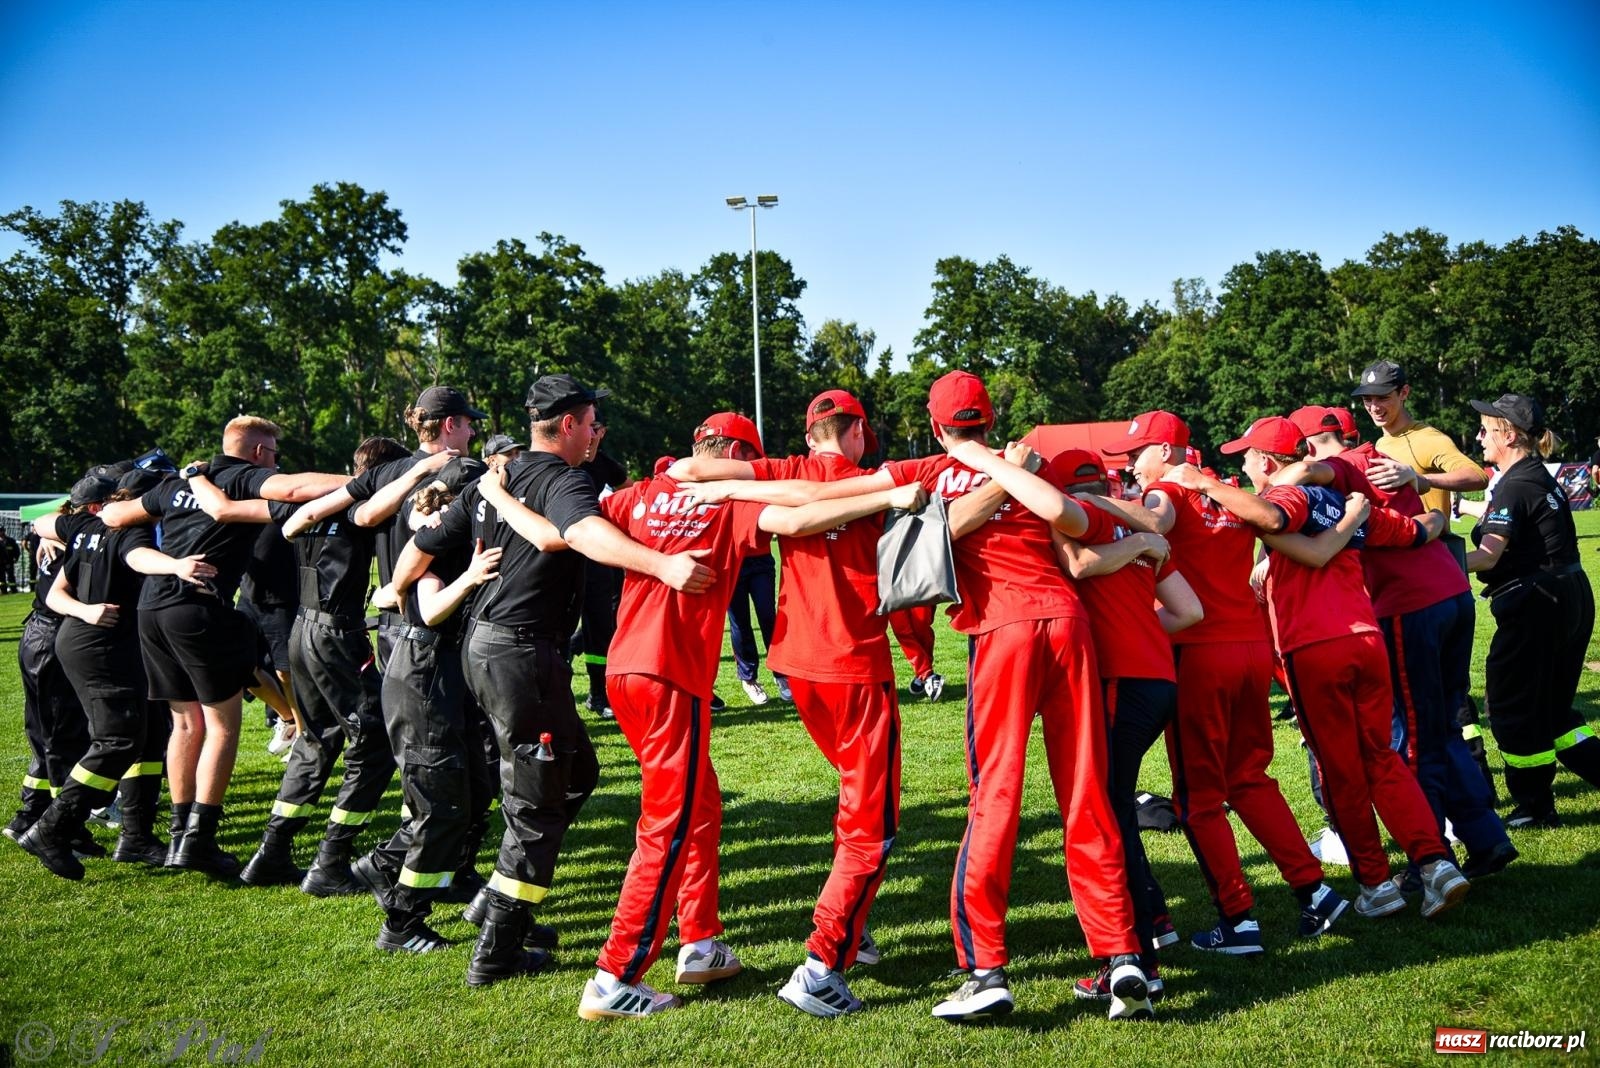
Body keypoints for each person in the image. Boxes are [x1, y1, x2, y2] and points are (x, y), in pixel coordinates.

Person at [570, 410, 924, 1021]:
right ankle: (616, 973)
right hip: (673, 673)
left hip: (623, 670)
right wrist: (886, 494)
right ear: (734, 455)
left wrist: (501, 492)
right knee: (668, 825)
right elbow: (800, 514)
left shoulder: (642, 494)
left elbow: (568, 531)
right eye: (750, 459)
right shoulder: (728, 503)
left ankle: (700, 941)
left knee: (699, 805)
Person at [389, 373, 716, 989]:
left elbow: (420, 544)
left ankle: (496, 899)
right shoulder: (563, 480)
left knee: (577, 773)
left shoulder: (498, 479)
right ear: (567, 424)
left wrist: (396, 589)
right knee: (537, 803)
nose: (597, 434)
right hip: (519, 656)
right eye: (591, 423)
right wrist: (663, 565)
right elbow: (579, 533)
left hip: (487, 650)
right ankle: (497, 947)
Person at [1166, 416, 1472, 921]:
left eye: (1247, 456)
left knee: (1341, 772)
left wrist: (1203, 483)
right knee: (1382, 758)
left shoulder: (1283, 496)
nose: (1243, 465)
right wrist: (1434, 521)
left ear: (1267, 462)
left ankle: (1375, 883)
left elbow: (1274, 520)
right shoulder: (1342, 500)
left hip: (1314, 646)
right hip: (1365, 638)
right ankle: (1435, 862)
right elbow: (1409, 531)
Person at [664, 391, 907, 1016]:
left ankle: (851, 922)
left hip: (797, 664)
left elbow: (688, 469)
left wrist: (739, 485)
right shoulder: (876, 476)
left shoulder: (785, 470)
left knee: (856, 800)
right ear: (857, 432)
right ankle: (821, 966)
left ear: (808, 435)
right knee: (871, 824)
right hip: (853, 663)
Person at [1105, 411, 1342, 955]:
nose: (1131, 465)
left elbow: (1154, 520)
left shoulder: (1167, 490)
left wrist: (1080, 504)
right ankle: (1315, 892)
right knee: (1250, 778)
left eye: (1136, 454)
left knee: (1199, 799)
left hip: (1201, 654)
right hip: (1251, 649)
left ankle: (1238, 922)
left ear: (1166, 452)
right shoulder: (1225, 490)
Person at [99, 417, 349, 876]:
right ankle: (199, 840)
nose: (276, 463)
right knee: (221, 728)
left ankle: (179, 834)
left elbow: (113, 516)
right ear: (258, 453)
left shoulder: (177, 484)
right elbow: (295, 489)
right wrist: (369, 480)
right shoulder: (241, 477)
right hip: (199, 608)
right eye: (274, 454)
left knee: (184, 725)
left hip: (152, 609)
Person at [1280, 406, 1513, 881]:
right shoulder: (1378, 455)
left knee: (1413, 739)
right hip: (1451, 592)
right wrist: (1431, 521)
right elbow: (1428, 518)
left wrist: (1279, 488)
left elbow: (1303, 474)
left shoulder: (1339, 466)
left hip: (1410, 605)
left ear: (1308, 444)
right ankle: (1486, 836)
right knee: (1444, 726)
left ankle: (1433, 859)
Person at [1049, 449, 1203, 1003]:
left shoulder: (1081, 523)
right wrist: (1140, 625)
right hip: (1158, 679)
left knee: (1106, 818)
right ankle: (1153, 923)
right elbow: (1189, 611)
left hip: (1120, 681)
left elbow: (1079, 566)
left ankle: (1136, 959)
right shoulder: (1135, 525)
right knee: (1115, 809)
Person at [227, 436, 412, 894]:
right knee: (373, 742)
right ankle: (332, 859)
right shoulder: (361, 507)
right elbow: (374, 515)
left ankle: (271, 851)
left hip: (301, 630)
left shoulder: (309, 505)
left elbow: (239, 511)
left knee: (316, 739)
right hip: (337, 635)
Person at [17, 474, 215, 879]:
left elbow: (54, 578)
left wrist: (79, 603)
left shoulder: (84, 526)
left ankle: (136, 837)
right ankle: (52, 829)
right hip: (100, 648)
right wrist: (177, 566)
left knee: (149, 737)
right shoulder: (129, 532)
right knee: (118, 739)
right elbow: (138, 558)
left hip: (103, 642)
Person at [1466, 394, 1600, 826]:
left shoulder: (1516, 484)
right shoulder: (1534, 475)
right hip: (1567, 593)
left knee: (1511, 706)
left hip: (1537, 604)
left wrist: (1427, 563)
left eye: (1485, 430)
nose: (1479, 437)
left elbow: (1487, 555)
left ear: (1508, 435)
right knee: (1556, 712)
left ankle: (1535, 807)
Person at [1352, 360, 1488, 564]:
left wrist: (1422, 479)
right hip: (1398, 560)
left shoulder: (1428, 438)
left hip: (1431, 560)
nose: (1374, 407)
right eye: (1367, 399)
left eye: (1382, 397)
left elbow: (1478, 475)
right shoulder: (1380, 443)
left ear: (1404, 393)